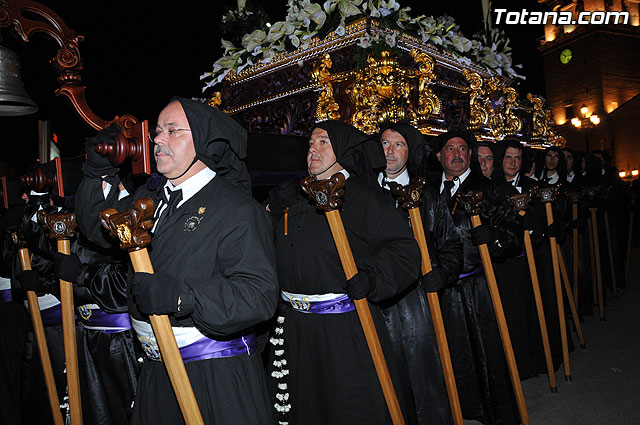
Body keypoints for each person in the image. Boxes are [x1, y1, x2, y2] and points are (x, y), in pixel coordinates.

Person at [75, 97, 279, 425]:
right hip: (156, 370)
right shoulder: (151, 203)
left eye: (173, 131)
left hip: (213, 377)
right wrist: (100, 170)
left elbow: (258, 296)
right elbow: (96, 227)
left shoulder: (237, 210)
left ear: (202, 140)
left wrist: (183, 296)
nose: (157, 140)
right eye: (157, 132)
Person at [265, 120, 421, 425]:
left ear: (343, 151)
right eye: (311, 142)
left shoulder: (366, 198)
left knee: (350, 408)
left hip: (345, 328)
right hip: (294, 328)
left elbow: (404, 253)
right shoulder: (293, 197)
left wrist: (373, 277)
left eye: (323, 142)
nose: (312, 148)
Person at [427, 131, 522, 425]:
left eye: (463, 149)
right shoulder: (428, 190)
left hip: (474, 287)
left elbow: (513, 231)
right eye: (450, 148)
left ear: (470, 155)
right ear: (439, 156)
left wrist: (493, 235)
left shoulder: (488, 189)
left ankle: (493, 413)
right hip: (437, 287)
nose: (457, 153)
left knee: (484, 351)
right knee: (446, 353)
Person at [378, 122, 463, 425]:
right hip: (376, 302)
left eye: (397, 144)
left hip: (419, 304)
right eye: (384, 143)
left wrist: (443, 273)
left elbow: (452, 245)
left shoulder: (427, 196)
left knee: (424, 376)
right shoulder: (360, 193)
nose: (389, 150)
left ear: (409, 152)